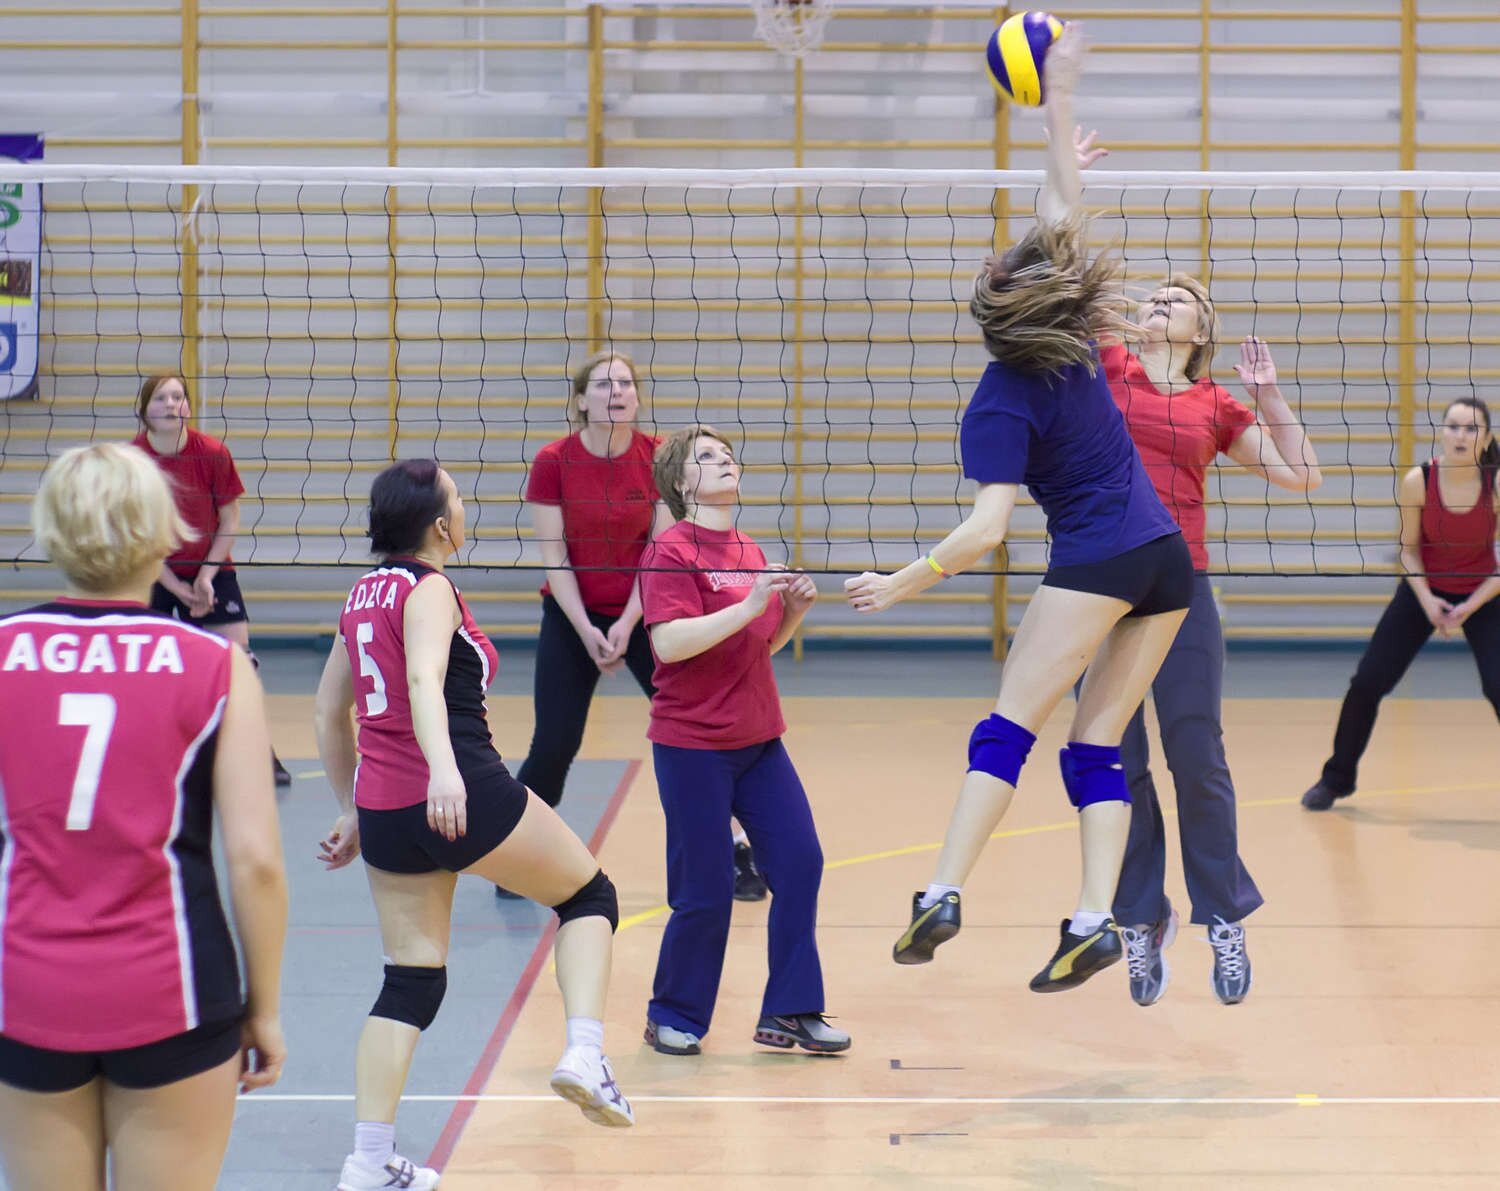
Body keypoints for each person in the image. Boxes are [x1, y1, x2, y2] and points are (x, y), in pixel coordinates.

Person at [844, 25, 1194, 994]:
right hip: (1166, 561)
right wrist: (1059, 98)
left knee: (1006, 729)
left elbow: (987, 530)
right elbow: (1060, 219)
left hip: (1099, 560)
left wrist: (902, 582)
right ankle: (1093, 920)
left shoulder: (1000, 395)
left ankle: (941, 894)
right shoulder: (1075, 332)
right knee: (1095, 744)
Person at [314, 459, 633, 1191]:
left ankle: (369, 1160)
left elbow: (330, 709)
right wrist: (445, 771)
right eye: (457, 498)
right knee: (589, 896)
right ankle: (585, 1052)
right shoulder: (429, 589)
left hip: (386, 809)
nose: (464, 507)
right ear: (438, 525)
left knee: (410, 979)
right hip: (458, 790)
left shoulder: (361, 594)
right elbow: (424, 678)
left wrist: (350, 805)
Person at [0, 443, 287, 1191]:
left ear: (53, 532)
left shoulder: (3, 650)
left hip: (26, 990)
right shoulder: (215, 664)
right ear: (163, 533)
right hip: (175, 991)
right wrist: (264, 1008)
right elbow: (255, 861)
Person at [1100, 268, 1323, 1008]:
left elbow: (1303, 476)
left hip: (1182, 588)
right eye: (1154, 297)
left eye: (1179, 301)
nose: (1160, 303)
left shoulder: (1215, 403)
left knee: (1197, 756)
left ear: (1201, 332)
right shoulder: (1107, 368)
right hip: (1101, 586)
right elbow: (1072, 304)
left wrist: (1270, 396)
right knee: (1116, 762)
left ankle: (1223, 913)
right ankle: (1140, 915)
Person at [510, 351, 767, 902]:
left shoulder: (656, 456)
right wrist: (587, 629)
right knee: (554, 742)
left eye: (625, 383)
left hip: (653, 609)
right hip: (572, 614)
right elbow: (554, 557)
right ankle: (517, 854)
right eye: (604, 385)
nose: (617, 393)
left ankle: (738, 849)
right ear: (582, 400)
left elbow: (660, 549)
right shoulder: (553, 461)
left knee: (705, 727)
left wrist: (629, 622)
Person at [638, 425, 848, 1057]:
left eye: (728, 455)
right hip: (692, 745)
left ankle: (791, 1009)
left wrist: (792, 612)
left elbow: (757, 646)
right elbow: (669, 643)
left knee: (801, 863)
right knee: (704, 891)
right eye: (707, 457)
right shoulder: (669, 552)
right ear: (680, 482)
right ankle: (671, 1013)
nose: (724, 461)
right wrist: (751, 602)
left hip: (758, 741)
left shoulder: (749, 549)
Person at [1302, 396, 1500, 811]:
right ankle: (1335, 780)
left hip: (1484, 591)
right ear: (1441, 432)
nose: (1460, 435)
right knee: (1367, 683)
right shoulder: (1418, 480)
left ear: (1486, 439)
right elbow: (1408, 550)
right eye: (1453, 426)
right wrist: (1427, 600)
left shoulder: (1496, 483)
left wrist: (1469, 606)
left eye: (1471, 428)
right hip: (1423, 588)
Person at [132, 372, 292, 786]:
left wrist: (205, 578)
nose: (171, 404)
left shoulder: (212, 453)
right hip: (154, 568)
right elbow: (139, 533)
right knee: (147, 666)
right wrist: (175, 587)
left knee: (240, 663)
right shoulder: (133, 460)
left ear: (187, 406)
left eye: (178, 397)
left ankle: (260, 752)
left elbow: (229, 519)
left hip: (211, 566)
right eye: (161, 398)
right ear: (144, 409)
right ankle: (152, 754)